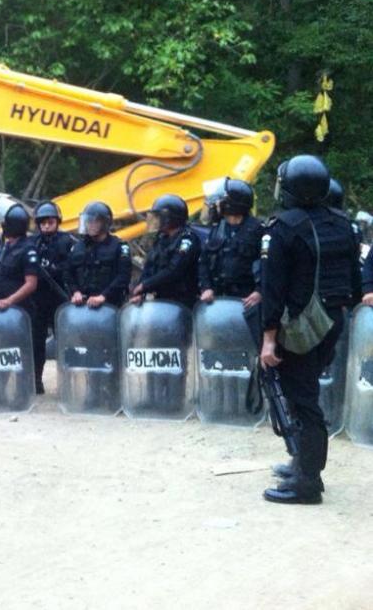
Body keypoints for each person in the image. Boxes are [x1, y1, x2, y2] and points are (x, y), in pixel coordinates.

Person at [260, 155, 361, 505]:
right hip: (332, 321)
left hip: (300, 326)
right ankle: (301, 464)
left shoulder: (282, 227)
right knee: (305, 394)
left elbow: (273, 290)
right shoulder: (343, 224)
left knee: (303, 402)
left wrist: (269, 340)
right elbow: (354, 280)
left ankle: (308, 482)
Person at [0, 203, 39, 408]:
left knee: (20, 354)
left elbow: (31, 284)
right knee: (0, 352)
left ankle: (21, 395)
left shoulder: (28, 249)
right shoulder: (5, 247)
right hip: (1, 310)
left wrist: (9, 301)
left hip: (19, 311)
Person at [30, 201, 75, 395]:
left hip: (60, 298)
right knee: (36, 343)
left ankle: (68, 383)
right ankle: (36, 381)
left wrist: (56, 270)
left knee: (64, 342)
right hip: (38, 300)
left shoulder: (67, 241)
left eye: (50, 222)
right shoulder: (33, 243)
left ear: (57, 222)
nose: (47, 226)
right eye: (43, 223)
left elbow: (72, 268)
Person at [199, 179, 263, 308]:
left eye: (219, 201)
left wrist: (259, 291)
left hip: (246, 302)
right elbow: (203, 261)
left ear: (230, 204)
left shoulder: (258, 230)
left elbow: (270, 265)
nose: (215, 205)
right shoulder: (218, 228)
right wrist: (206, 287)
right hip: (218, 300)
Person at [130, 194, 200, 309]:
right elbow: (150, 265)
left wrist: (145, 285)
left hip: (183, 302)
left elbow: (174, 270)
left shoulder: (187, 240)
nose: (155, 221)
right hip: (161, 299)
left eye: (159, 217)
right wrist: (140, 291)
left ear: (169, 218)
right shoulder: (162, 238)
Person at [66, 201, 131, 308]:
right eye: (88, 221)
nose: (91, 225)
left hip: (110, 305)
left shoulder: (119, 246)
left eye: (96, 222)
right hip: (82, 305)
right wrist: (75, 291)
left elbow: (123, 276)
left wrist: (104, 296)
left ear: (105, 223)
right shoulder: (78, 247)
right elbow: (68, 273)